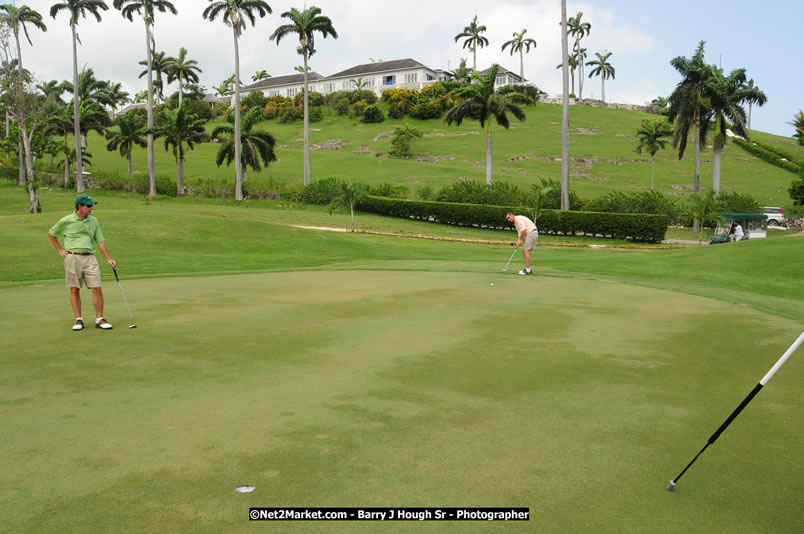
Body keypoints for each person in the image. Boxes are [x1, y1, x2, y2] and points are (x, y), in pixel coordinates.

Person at [48, 194, 117, 331]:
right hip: (72, 257)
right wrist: (59, 249)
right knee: (74, 289)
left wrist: (108, 258)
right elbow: (51, 233)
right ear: (80, 206)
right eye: (89, 206)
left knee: (96, 288)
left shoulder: (93, 221)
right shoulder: (67, 220)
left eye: (92, 206)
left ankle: (100, 319)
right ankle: (79, 320)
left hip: (90, 257)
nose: (91, 208)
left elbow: (100, 241)